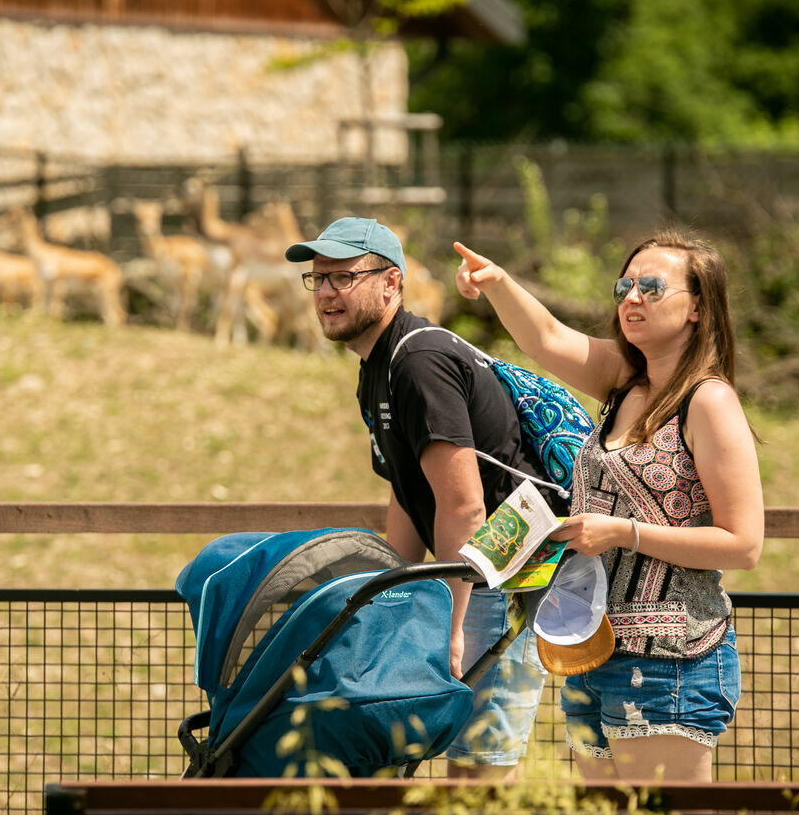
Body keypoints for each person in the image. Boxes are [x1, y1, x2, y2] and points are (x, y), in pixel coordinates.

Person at [454, 229, 764, 784]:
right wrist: (497, 282)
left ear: (697, 307)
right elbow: (546, 338)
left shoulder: (709, 400)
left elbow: (744, 544)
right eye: (625, 284)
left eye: (651, 286)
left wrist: (625, 532)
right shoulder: (625, 381)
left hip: (671, 660)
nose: (632, 298)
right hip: (592, 653)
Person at [285, 217, 563, 780]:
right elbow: (407, 493)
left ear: (391, 283)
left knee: (477, 777)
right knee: (448, 772)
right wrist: (397, 601)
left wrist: (447, 622)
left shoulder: (417, 362)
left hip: (499, 574)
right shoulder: (376, 367)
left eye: (344, 277)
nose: (327, 293)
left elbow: (463, 507)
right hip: (469, 574)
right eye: (318, 280)